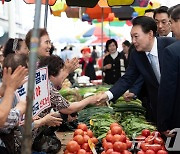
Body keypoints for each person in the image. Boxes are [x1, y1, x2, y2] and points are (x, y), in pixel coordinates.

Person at [96, 16, 176, 123]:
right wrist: (108, 95)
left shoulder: (171, 45)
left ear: (150, 34)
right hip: (158, 108)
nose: (133, 41)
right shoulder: (136, 54)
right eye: (131, 37)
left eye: (136, 36)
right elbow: (128, 78)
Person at [157, 6, 180, 144]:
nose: (170, 28)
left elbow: (167, 89)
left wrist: (163, 123)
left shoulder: (172, 51)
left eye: (171, 22)